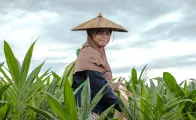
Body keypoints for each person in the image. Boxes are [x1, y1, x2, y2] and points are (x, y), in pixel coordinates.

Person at [71, 13, 128, 117]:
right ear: (91, 34)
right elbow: (99, 87)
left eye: (108, 33)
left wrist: (113, 85)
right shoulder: (89, 54)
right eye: (100, 33)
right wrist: (123, 108)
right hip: (86, 109)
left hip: (95, 108)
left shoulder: (98, 52)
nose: (105, 37)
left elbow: (95, 81)